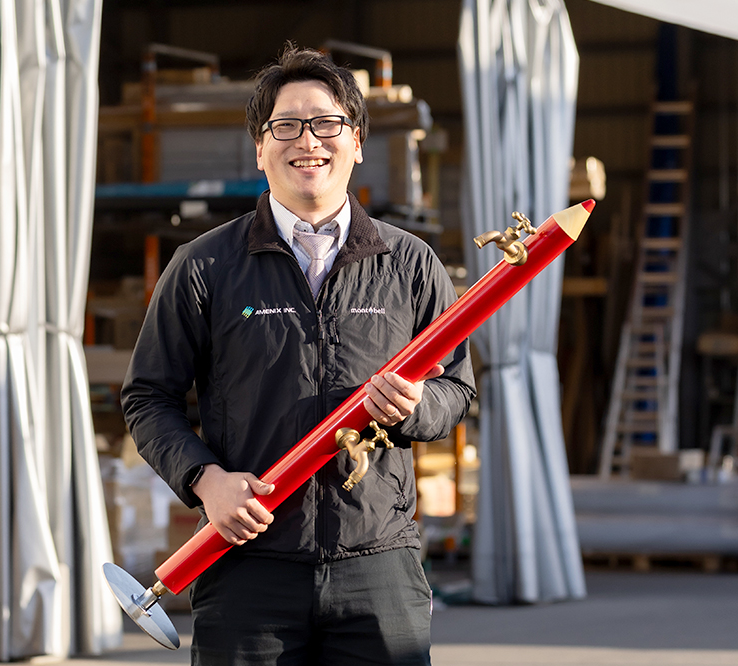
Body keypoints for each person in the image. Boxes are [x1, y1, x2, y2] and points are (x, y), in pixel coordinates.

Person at [121, 45, 475, 666]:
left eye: (327, 123)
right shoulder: (204, 266)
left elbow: (458, 391)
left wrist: (417, 406)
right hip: (247, 566)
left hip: (377, 565)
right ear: (260, 148)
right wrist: (206, 482)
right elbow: (148, 398)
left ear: (357, 141)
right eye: (286, 126)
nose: (308, 141)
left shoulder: (411, 264)